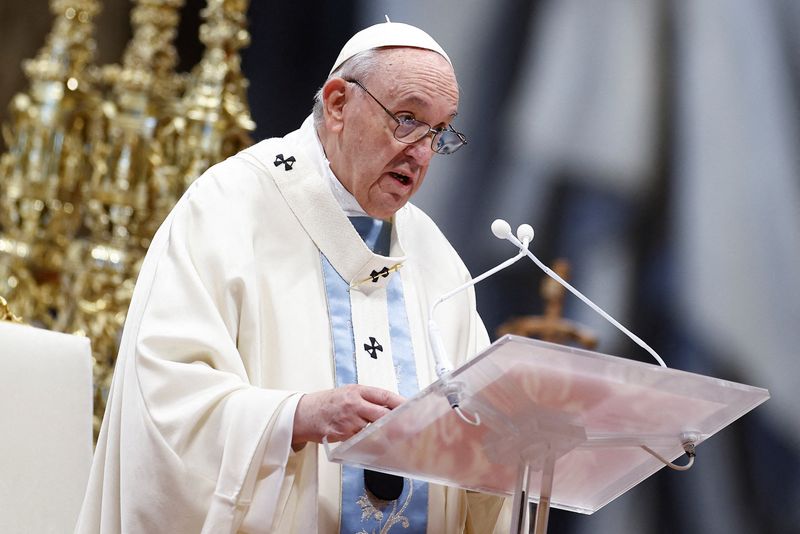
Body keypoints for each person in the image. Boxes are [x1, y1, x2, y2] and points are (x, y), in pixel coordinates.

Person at [76, 21, 510, 533]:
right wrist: (296, 416)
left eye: (439, 133)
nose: (421, 151)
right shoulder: (229, 208)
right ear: (337, 104)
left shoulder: (435, 257)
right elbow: (164, 398)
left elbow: (478, 434)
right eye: (407, 119)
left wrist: (510, 448)